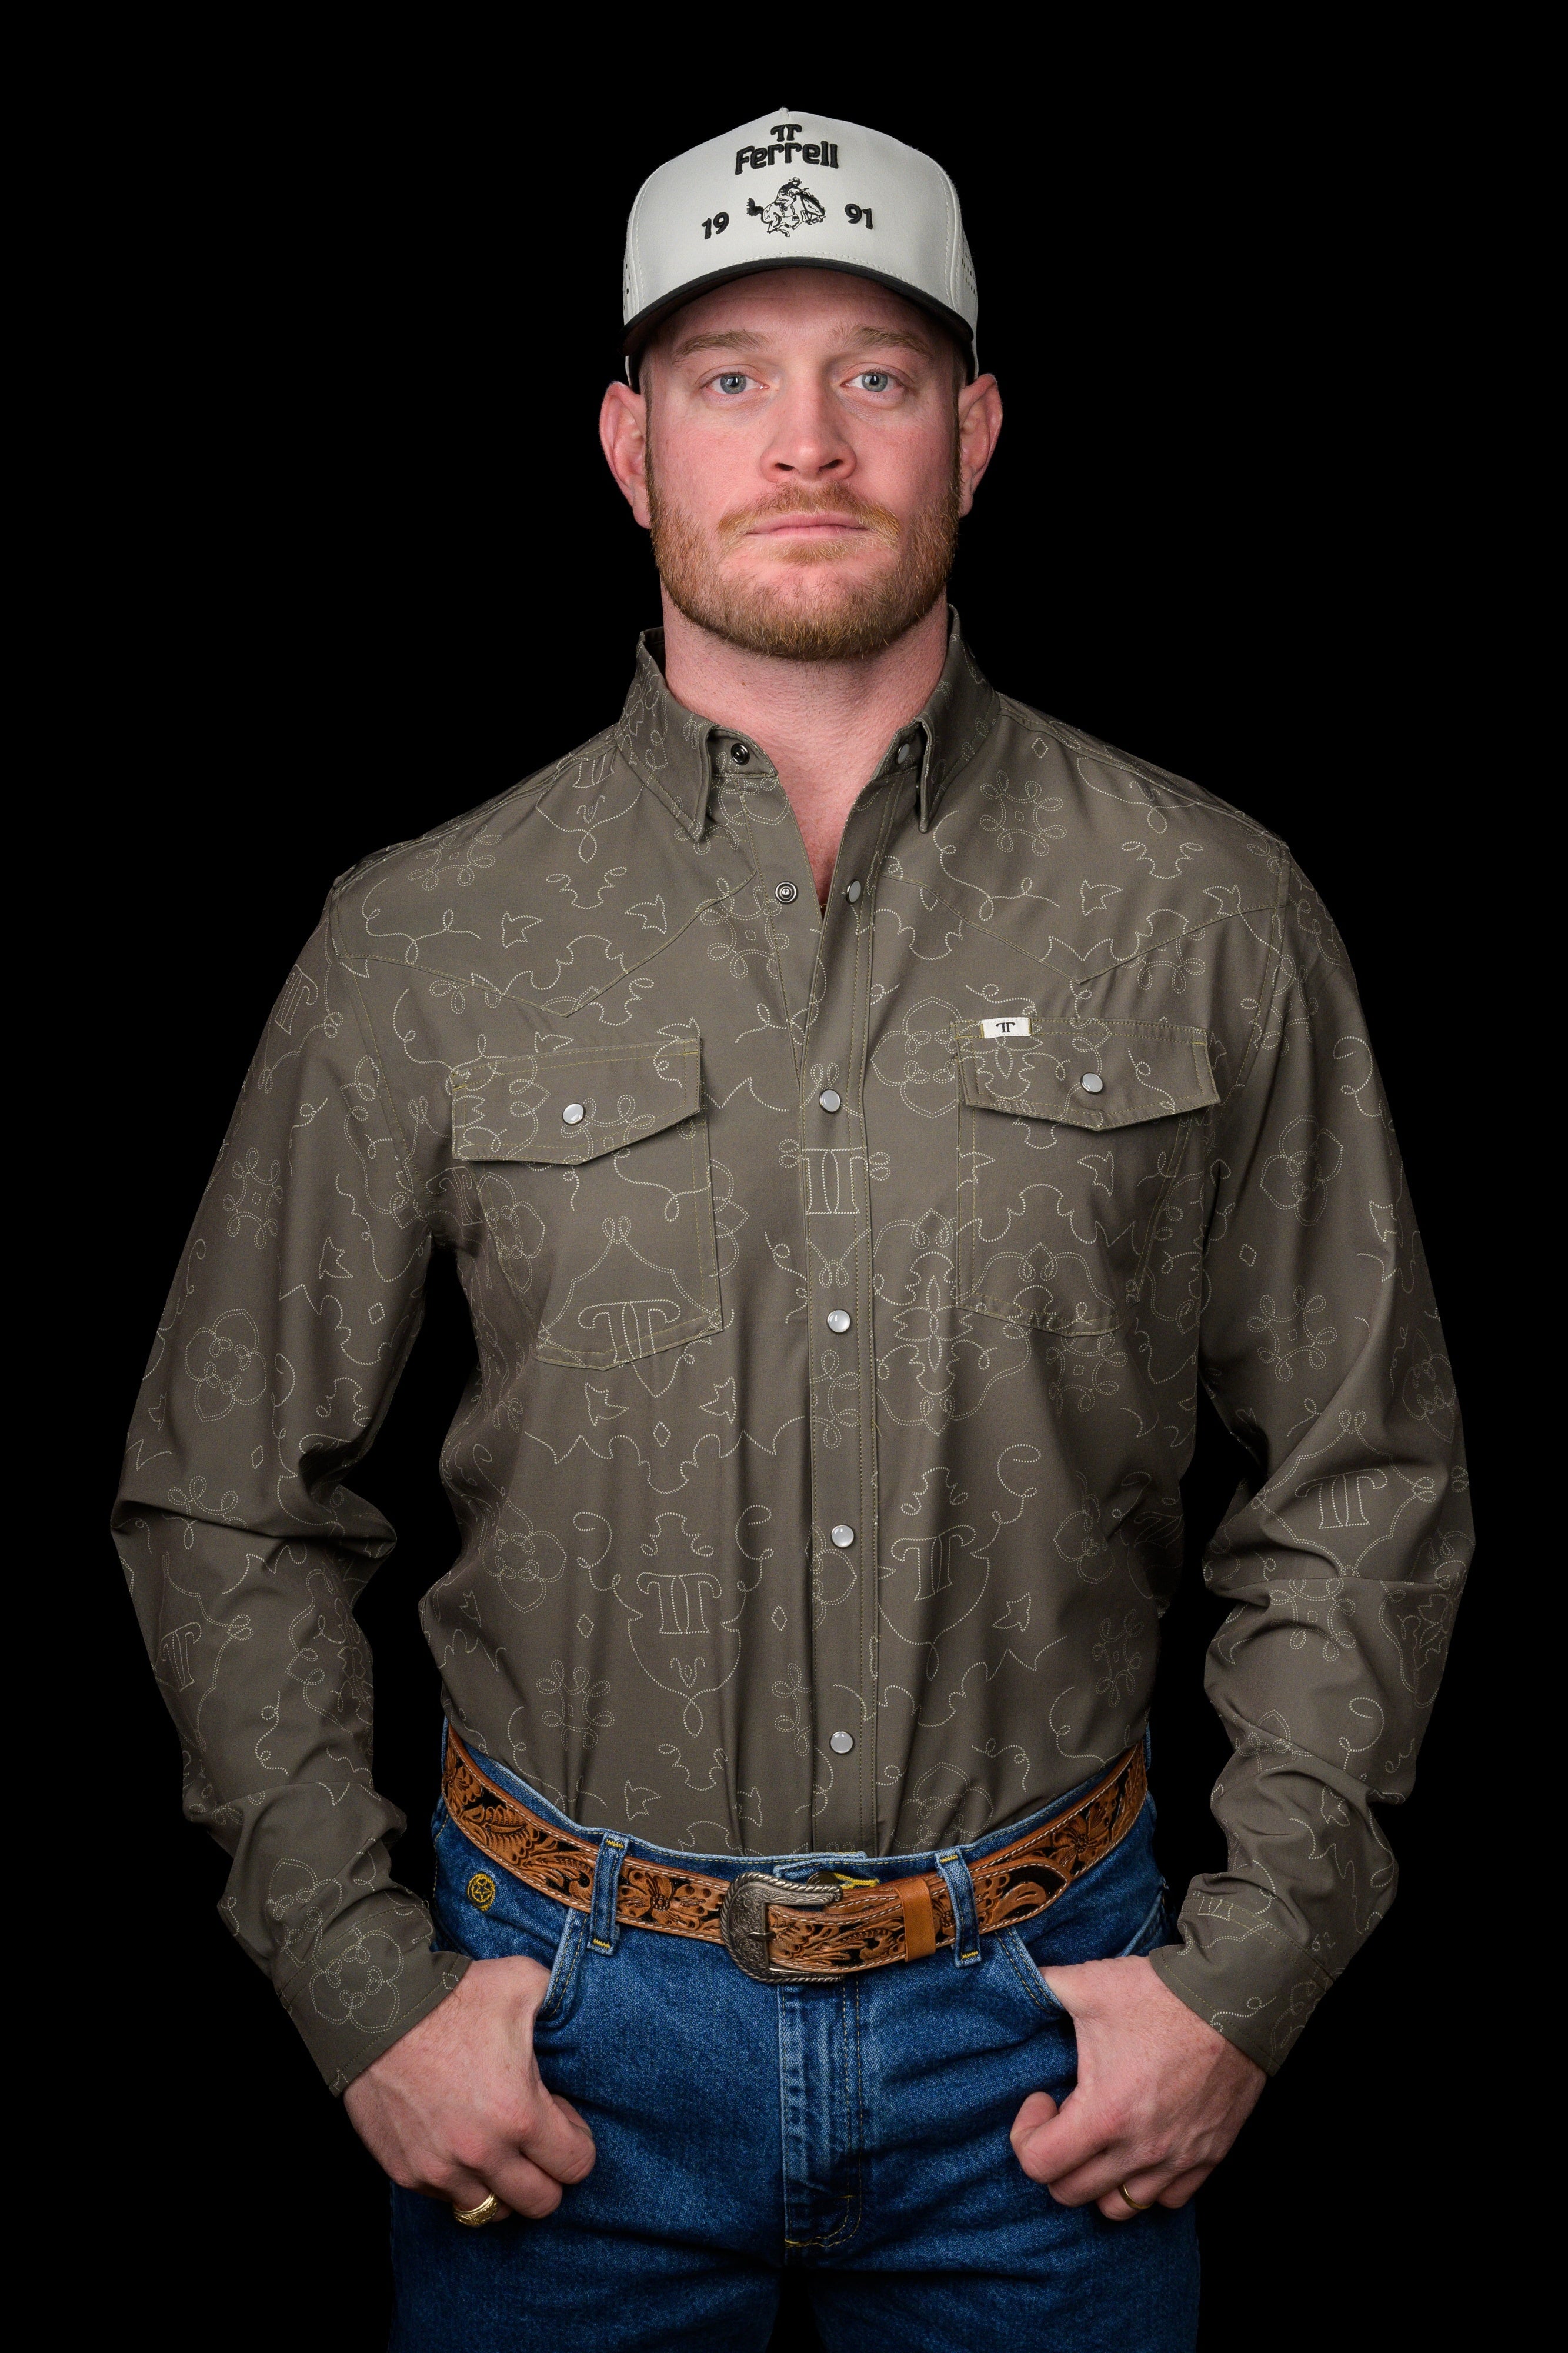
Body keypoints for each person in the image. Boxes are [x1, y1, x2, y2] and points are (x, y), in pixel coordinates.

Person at [114, 108, 1471, 2352]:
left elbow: (1365, 1476)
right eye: (730, 375)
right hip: (554, 2051)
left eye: (878, 373)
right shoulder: (425, 936)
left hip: (1049, 2053)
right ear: (629, 446)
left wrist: (1248, 1972)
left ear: (977, 432)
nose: (808, 441)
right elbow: (224, 1494)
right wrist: (362, 1991)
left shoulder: (1204, 905)